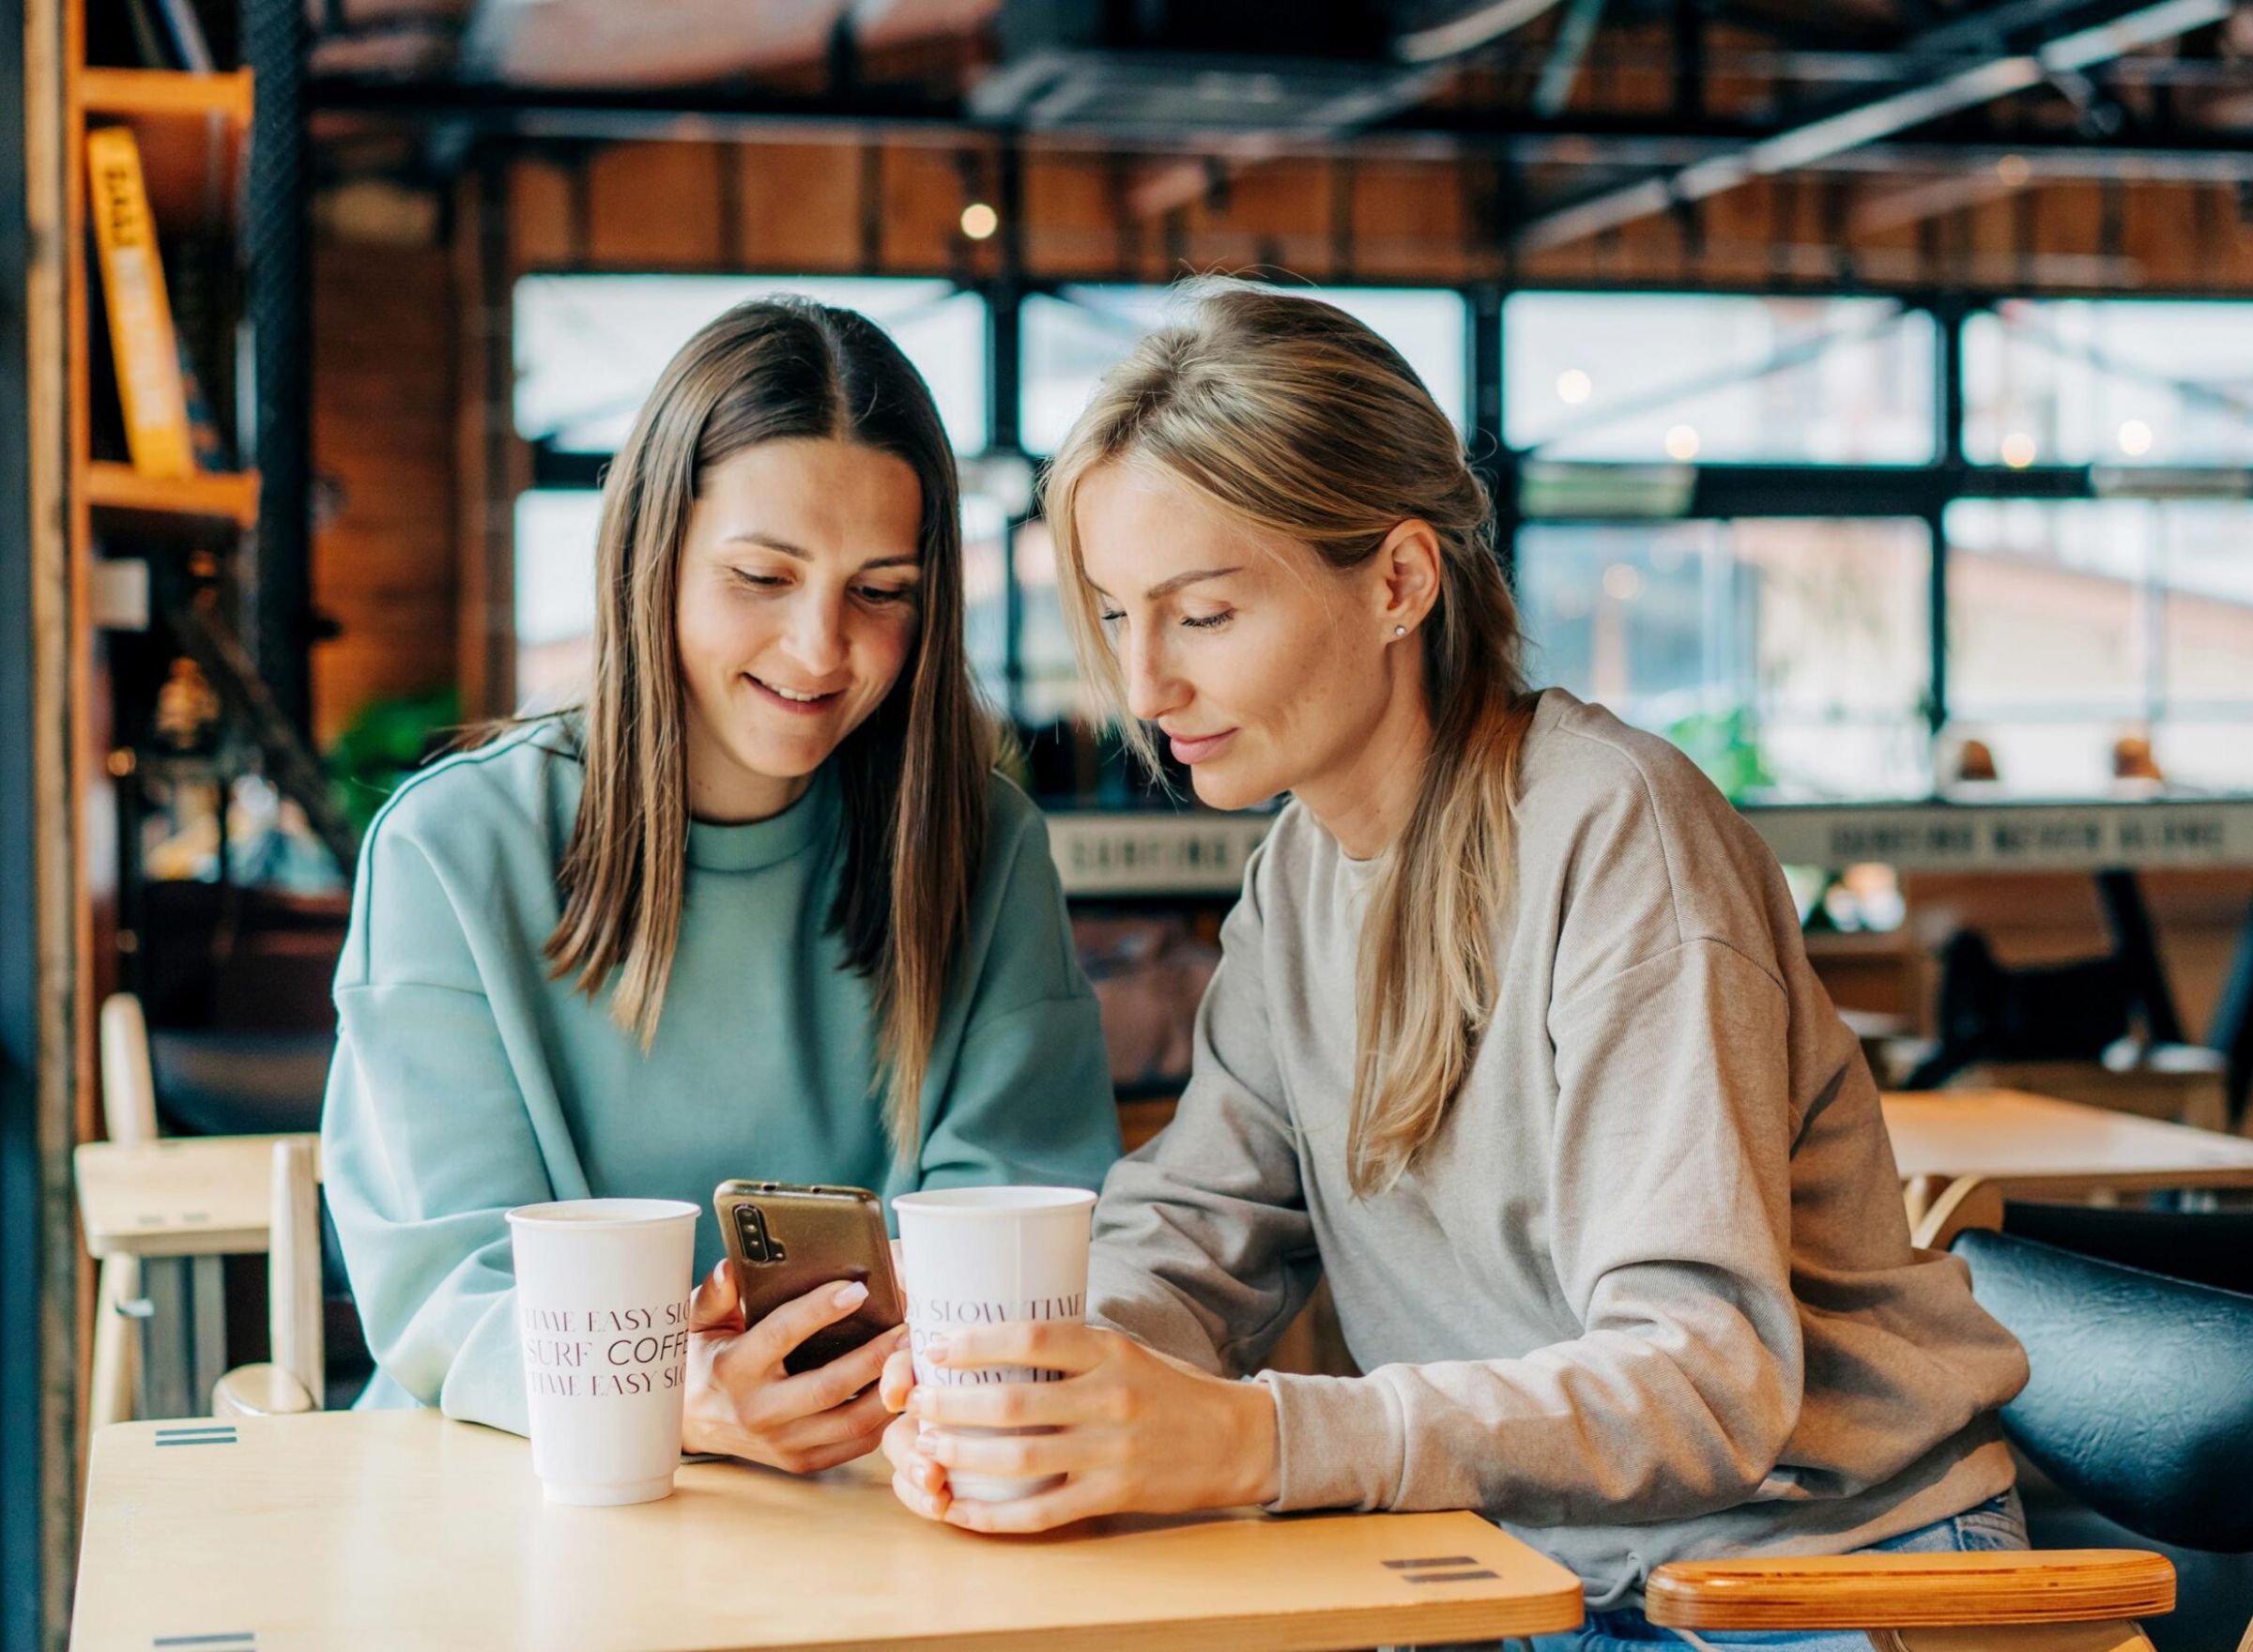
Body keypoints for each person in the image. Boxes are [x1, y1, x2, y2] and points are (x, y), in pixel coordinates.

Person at [880, 283, 2029, 1647]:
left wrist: (1263, 1440)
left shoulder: (1614, 834)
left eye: (1202, 616)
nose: (1145, 689)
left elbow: (1707, 1385)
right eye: (1121, 618)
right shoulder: (1298, 879)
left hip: (1818, 1577)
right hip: (1547, 1571)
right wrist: (1041, 1383)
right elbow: (1193, 1242)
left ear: (1399, 582)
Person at [324, 298, 1119, 1475]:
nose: (819, 648)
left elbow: (1017, 1217)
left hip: (881, 1479)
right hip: (517, 1474)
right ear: (656, 554)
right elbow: (446, 1283)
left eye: (881, 590)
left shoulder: (981, 842)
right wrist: (671, 1396)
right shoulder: (454, 844)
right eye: (762, 574)